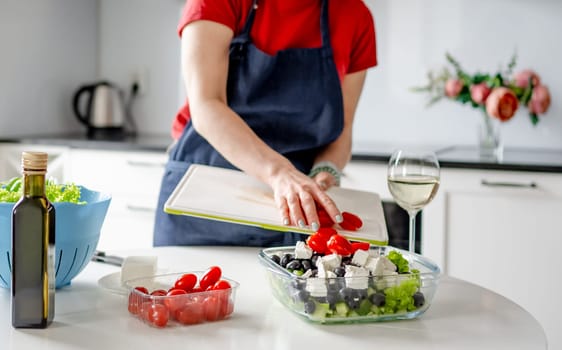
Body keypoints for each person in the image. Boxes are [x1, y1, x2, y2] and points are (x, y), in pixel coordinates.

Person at [153, 0, 377, 247]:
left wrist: (325, 173)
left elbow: (341, 130)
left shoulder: (355, 16)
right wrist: (279, 172)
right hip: (202, 198)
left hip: (292, 214)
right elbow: (206, 104)